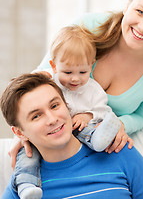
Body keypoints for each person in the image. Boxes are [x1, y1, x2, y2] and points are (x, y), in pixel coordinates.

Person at [37, 0, 143, 153]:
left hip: (96, 145)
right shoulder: (87, 27)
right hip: (50, 131)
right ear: (127, 5)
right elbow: (41, 76)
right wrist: (27, 130)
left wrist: (119, 124)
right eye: (140, 12)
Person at [0, 73, 143, 199]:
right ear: (20, 133)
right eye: (36, 116)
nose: (52, 119)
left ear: (67, 106)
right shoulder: (24, 185)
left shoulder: (118, 150)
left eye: (55, 105)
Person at [8, 25, 124, 199]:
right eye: (67, 72)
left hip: (79, 131)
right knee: (28, 154)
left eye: (82, 72)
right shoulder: (48, 79)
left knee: (89, 127)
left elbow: (102, 109)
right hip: (46, 140)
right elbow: (24, 91)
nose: (75, 78)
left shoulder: (93, 90)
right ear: (54, 66)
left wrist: (88, 115)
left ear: (91, 66)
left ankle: (98, 140)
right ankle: (26, 185)